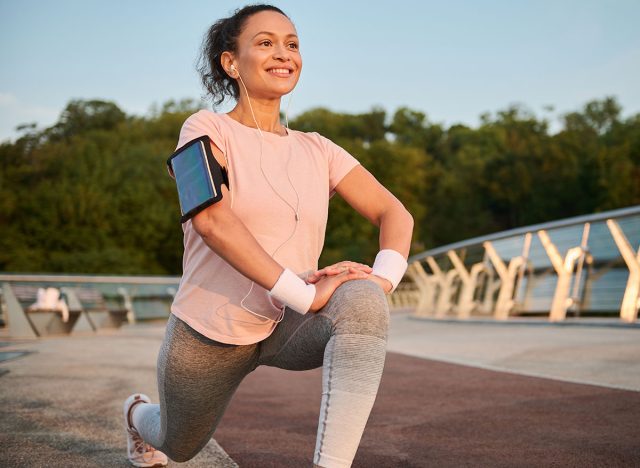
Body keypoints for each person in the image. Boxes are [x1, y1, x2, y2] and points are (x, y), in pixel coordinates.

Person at [122, 4, 413, 468]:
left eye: (292, 43)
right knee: (179, 446)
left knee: (362, 301)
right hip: (210, 333)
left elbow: (393, 212)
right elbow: (211, 221)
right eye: (265, 42)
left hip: (287, 324)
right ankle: (137, 416)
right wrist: (305, 293)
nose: (284, 54)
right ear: (231, 63)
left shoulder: (319, 148)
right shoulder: (203, 129)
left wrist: (382, 282)